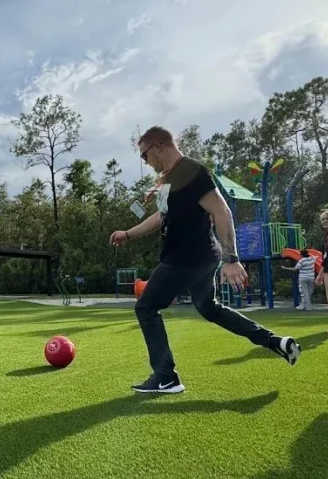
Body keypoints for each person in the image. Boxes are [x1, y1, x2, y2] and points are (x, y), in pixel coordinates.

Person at [110, 126, 300, 394]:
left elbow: (222, 211)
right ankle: (275, 342)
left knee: (146, 307)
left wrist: (232, 258)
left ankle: (166, 377)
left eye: (144, 155)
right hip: (199, 257)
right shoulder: (167, 180)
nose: (145, 161)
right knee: (209, 308)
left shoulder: (192, 171)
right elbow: (161, 217)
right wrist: (128, 234)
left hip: (186, 256)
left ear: (158, 146)